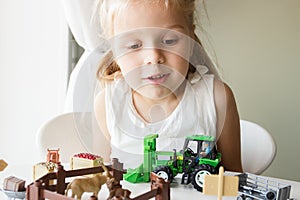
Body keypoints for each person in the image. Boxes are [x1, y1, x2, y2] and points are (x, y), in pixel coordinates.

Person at [93, 0, 243, 172]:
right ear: (114, 51)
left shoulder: (217, 98)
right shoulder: (107, 104)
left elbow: (235, 180)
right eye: (134, 45)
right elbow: (100, 179)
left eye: (170, 40)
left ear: (191, 40)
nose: (154, 56)